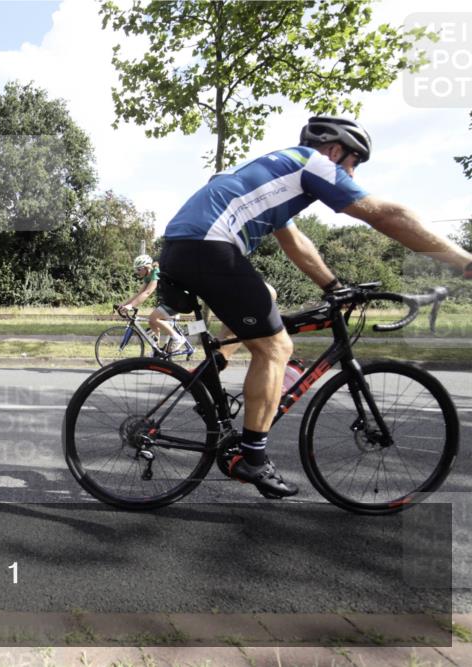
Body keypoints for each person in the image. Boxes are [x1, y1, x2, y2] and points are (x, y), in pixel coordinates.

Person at [157, 115, 472, 498]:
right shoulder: (313, 162)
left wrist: (334, 287)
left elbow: (294, 243)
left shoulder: (277, 175)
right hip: (208, 245)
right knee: (276, 347)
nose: (352, 174)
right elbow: (387, 215)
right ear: (336, 151)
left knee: (266, 296)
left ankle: (213, 365)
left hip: (189, 246)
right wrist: (463, 262)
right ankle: (252, 458)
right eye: (354, 164)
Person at [116, 254, 187, 353]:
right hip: (169, 301)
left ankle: (177, 338)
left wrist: (131, 306)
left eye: (139, 269)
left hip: (177, 301)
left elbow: (147, 293)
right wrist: (124, 304)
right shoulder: (148, 276)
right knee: (151, 322)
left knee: (153, 318)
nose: (137, 272)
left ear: (146, 268)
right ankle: (156, 350)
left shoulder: (155, 273)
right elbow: (139, 294)